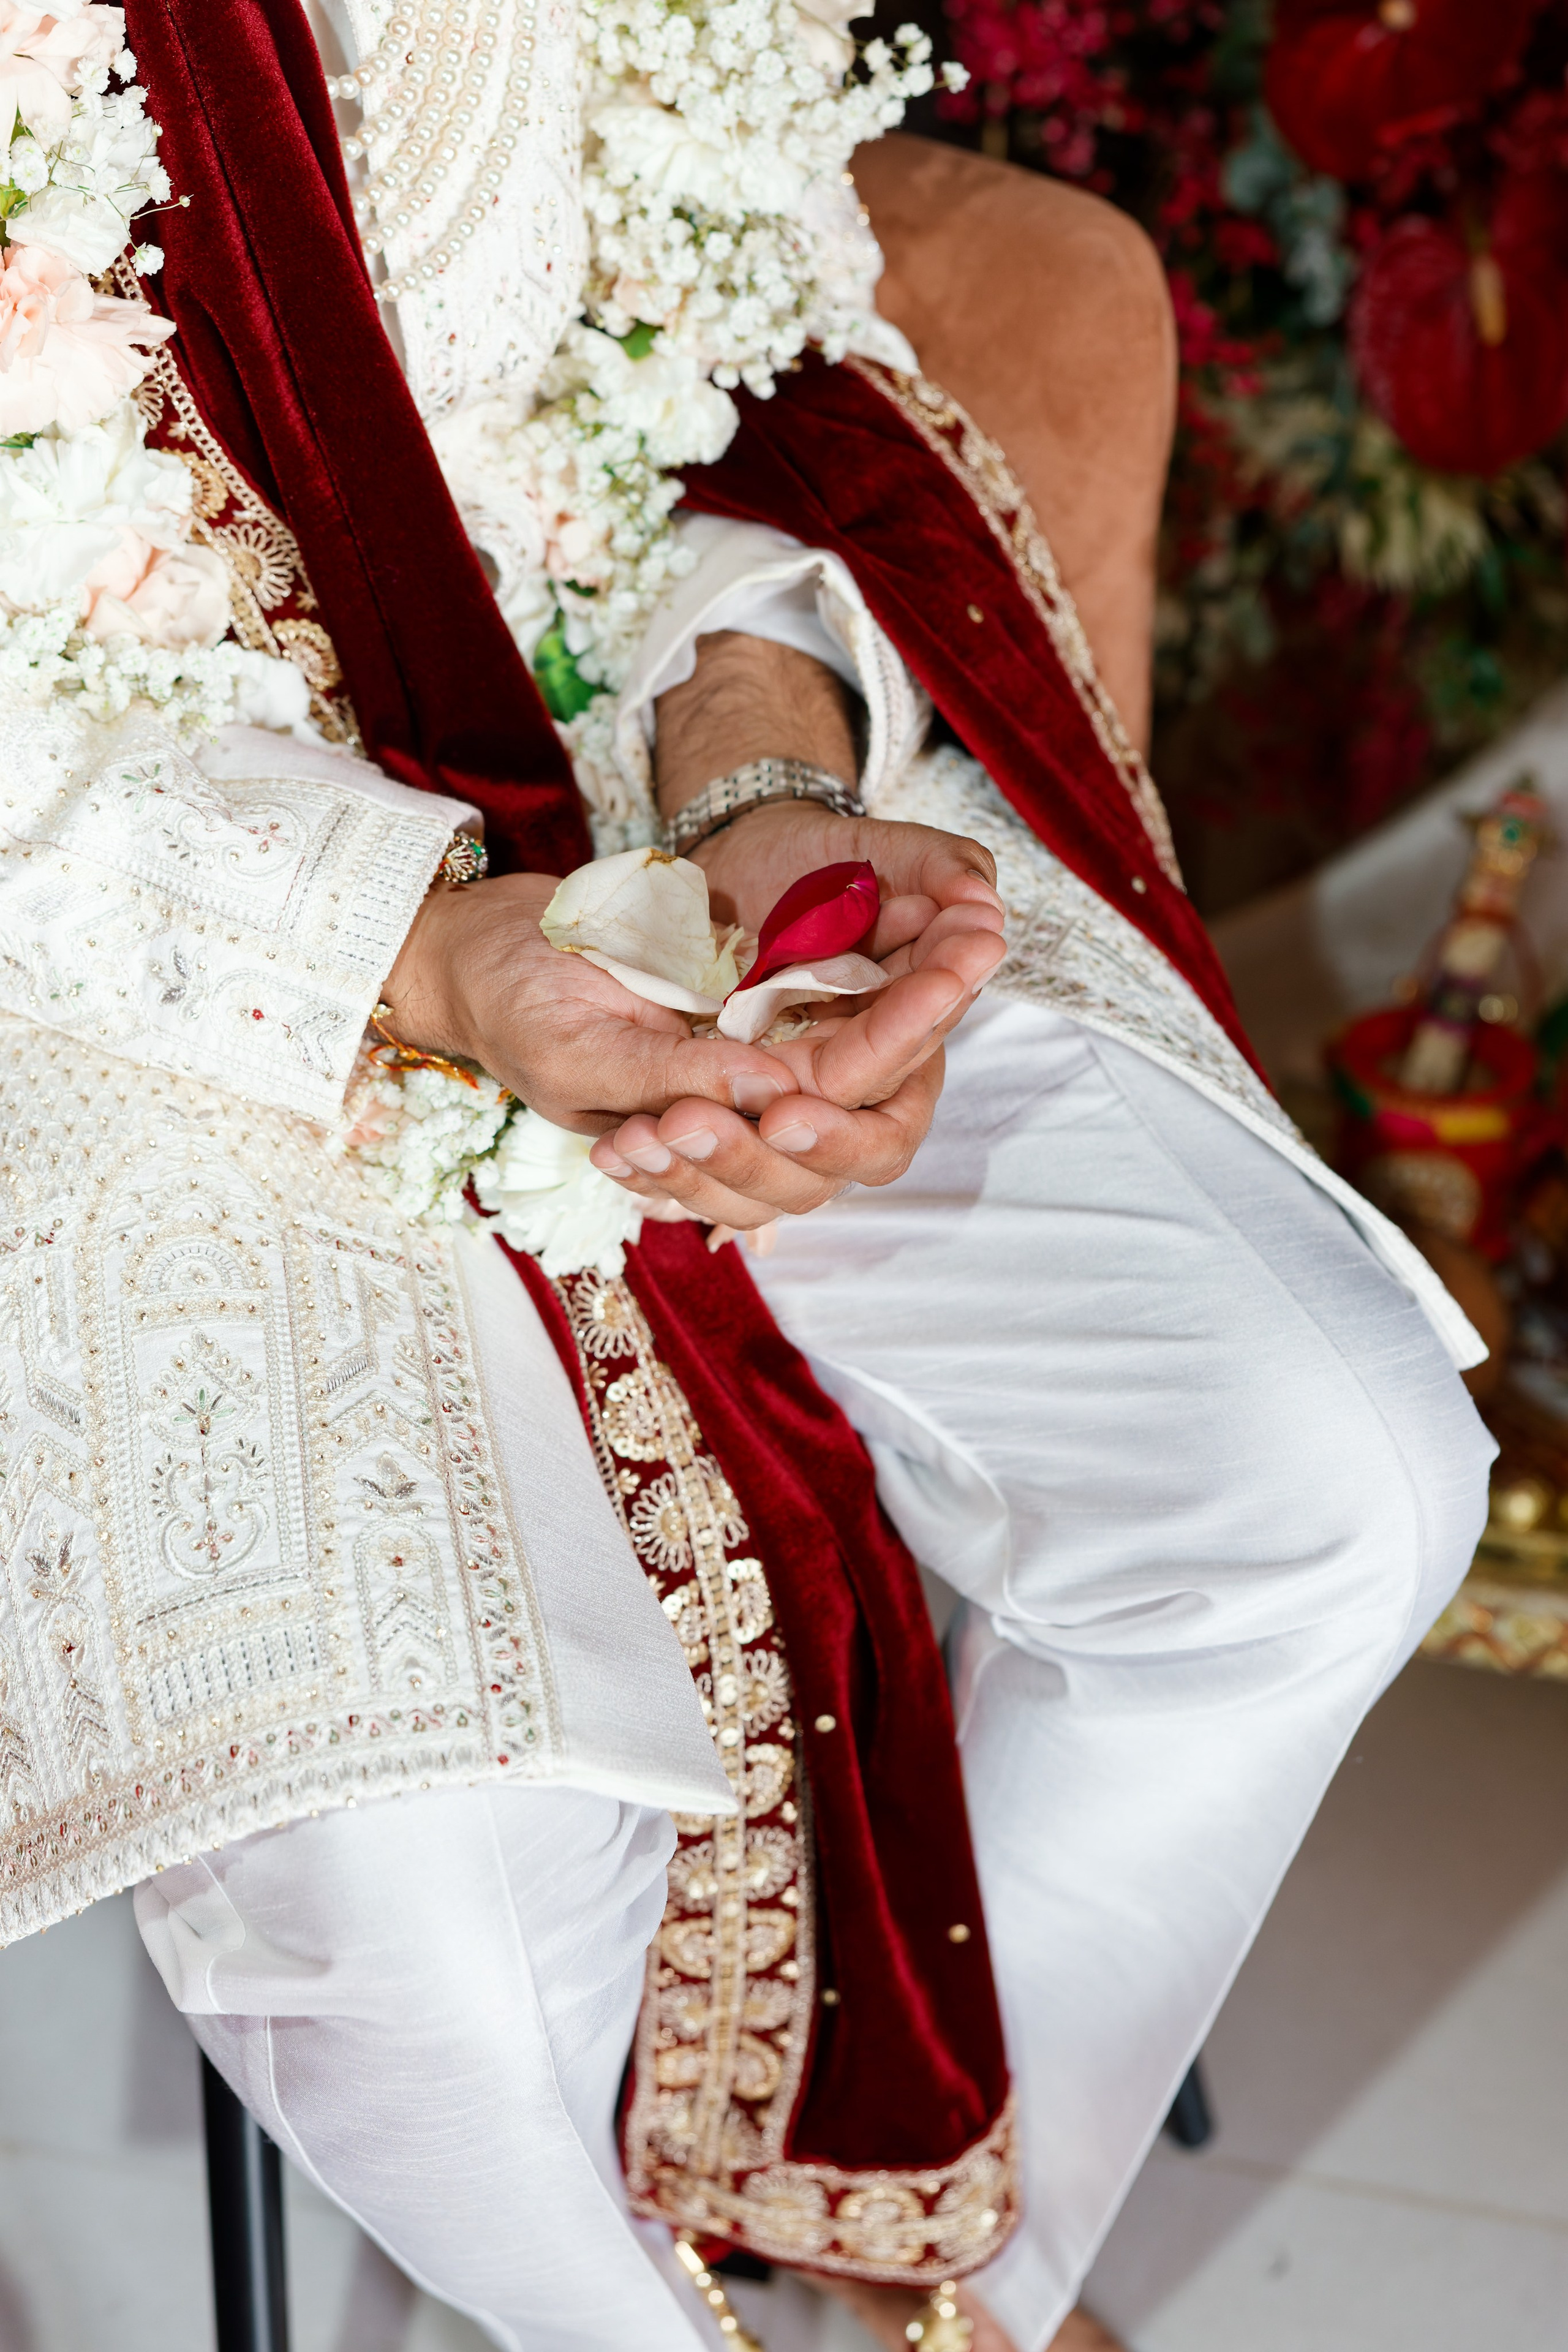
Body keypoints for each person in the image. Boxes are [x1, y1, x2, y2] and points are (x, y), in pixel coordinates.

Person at [0, 5, 1492, 2351]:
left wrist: (757, 790)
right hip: (99, 952)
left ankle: (941, 2292)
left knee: (1319, 1477)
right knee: (438, 1911)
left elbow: (728, 353)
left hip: (597, 733)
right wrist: (414, 949)